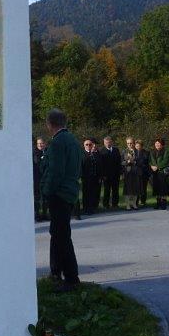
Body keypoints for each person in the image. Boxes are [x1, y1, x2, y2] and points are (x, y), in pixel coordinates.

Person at [41, 109, 83, 292]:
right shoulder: (73, 140)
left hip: (60, 193)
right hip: (70, 191)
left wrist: (46, 191)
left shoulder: (58, 142)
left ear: (49, 124)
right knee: (57, 233)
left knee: (62, 236)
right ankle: (55, 272)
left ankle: (71, 278)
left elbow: (55, 172)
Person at [81, 138, 102, 215]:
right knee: (86, 193)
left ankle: (92, 208)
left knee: (93, 193)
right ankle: (86, 209)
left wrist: (99, 176)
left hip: (95, 177)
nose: (88, 146)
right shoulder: (82, 154)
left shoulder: (94, 154)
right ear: (84, 145)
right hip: (86, 177)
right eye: (87, 144)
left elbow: (98, 166)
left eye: (90, 144)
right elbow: (81, 166)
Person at [150, 138, 169, 210]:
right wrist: (151, 166)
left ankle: (163, 203)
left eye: (159, 143)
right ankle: (158, 203)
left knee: (163, 188)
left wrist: (157, 167)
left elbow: (165, 161)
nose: (157, 144)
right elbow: (150, 160)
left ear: (162, 144)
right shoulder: (152, 151)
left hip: (162, 172)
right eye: (156, 143)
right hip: (154, 172)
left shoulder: (166, 151)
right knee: (156, 188)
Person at [99, 136, 121, 210]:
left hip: (116, 174)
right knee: (107, 190)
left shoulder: (116, 150)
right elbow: (101, 165)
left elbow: (119, 162)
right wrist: (103, 175)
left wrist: (120, 172)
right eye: (106, 143)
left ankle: (115, 204)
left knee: (115, 190)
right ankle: (106, 204)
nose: (108, 144)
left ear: (111, 142)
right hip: (106, 175)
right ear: (104, 143)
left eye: (109, 142)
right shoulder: (101, 151)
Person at [121, 137, 140, 210]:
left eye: (131, 143)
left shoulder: (137, 151)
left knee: (135, 189)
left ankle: (134, 204)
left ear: (134, 143)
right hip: (128, 172)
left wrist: (134, 162)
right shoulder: (124, 151)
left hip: (136, 172)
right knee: (128, 189)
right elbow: (121, 162)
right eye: (128, 143)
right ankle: (128, 205)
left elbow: (141, 161)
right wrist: (127, 162)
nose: (129, 144)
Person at [33, 138, 48, 221]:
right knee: (37, 198)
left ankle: (45, 214)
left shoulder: (48, 152)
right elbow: (37, 163)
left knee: (46, 198)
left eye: (41, 143)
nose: (40, 145)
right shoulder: (34, 153)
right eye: (38, 143)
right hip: (37, 179)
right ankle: (37, 215)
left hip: (46, 179)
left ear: (45, 144)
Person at [135, 140, 150, 207]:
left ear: (142, 146)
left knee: (144, 188)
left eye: (139, 146)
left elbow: (145, 161)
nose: (137, 147)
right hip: (136, 173)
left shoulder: (146, 152)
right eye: (136, 146)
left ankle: (143, 201)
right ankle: (136, 202)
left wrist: (137, 162)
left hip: (144, 173)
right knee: (137, 188)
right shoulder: (133, 152)